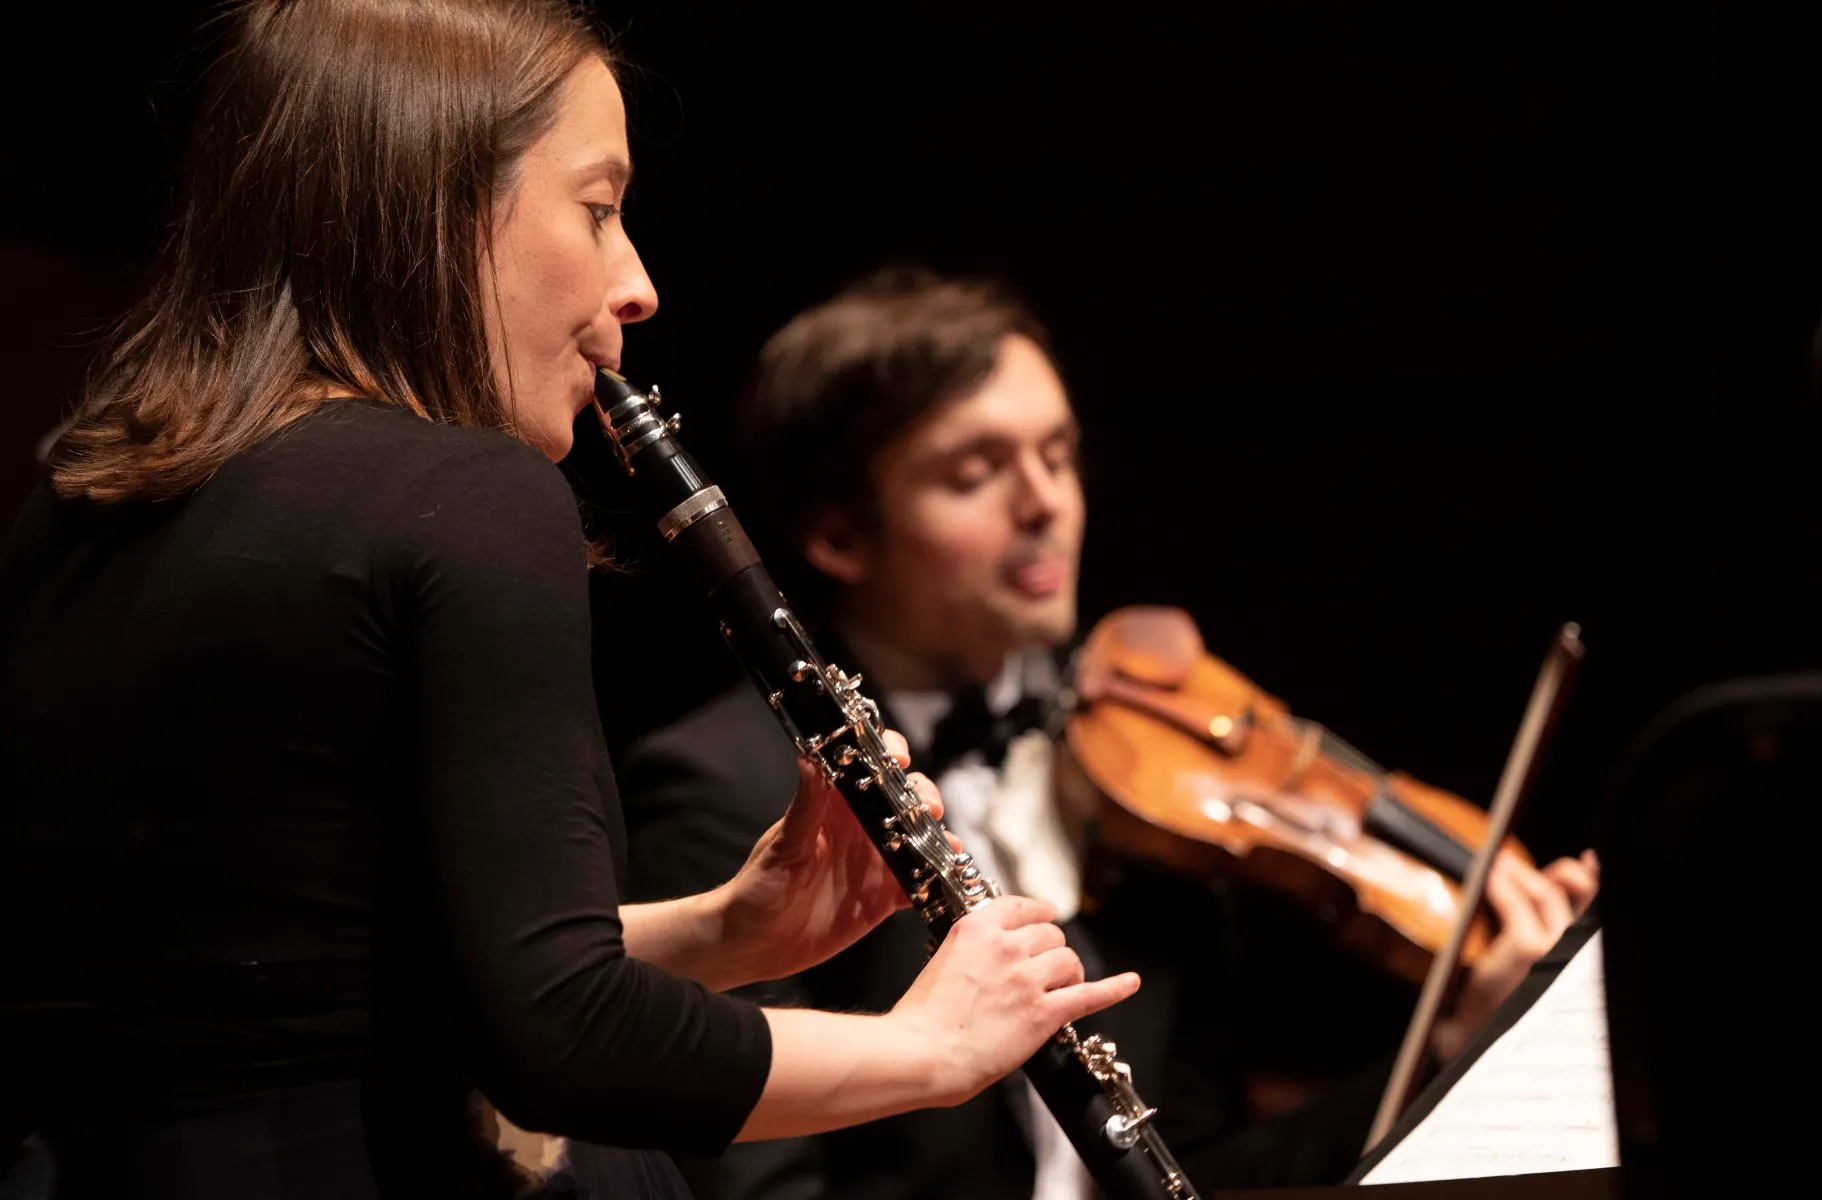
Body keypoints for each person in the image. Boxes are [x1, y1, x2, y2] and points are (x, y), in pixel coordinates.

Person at [0, 5, 1138, 1198]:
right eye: (597, 208)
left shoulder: (84, 494)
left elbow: (327, 986)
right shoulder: (465, 495)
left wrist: (722, 933)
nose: (636, 284)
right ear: (433, 211)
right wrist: (933, 1046)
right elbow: (563, 1042)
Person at [615, 266, 1601, 1199]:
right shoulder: (715, 787)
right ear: (840, 536)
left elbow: (1210, 1166)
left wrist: (1452, 1043)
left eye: (1056, 455)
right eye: (974, 472)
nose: (1046, 502)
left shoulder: (1140, 782)